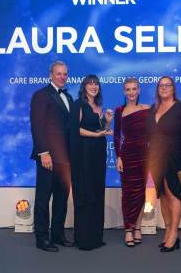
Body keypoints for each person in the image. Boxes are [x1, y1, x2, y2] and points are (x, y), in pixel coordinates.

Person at [147, 76, 181, 252]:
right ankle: (167, 231)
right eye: (161, 85)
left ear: (173, 88)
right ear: (157, 89)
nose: (164, 88)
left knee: (174, 194)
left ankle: (174, 235)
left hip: (175, 156)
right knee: (163, 196)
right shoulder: (153, 108)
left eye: (168, 85)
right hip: (156, 158)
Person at [30, 61, 74, 252]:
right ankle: (42, 238)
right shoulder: (41, 95)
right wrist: (43, 152)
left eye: (65, 74)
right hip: (47, 157)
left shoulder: (69, 97)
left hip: (65, 159)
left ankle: (57, 234)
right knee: (43, 198)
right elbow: (37, 126)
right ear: (51, 74)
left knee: (61, 198)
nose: (62, 77)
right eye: (59, 73)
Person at [69, 75, 113, 250]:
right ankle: (84, 239)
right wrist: (96, 135)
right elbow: (75, 129)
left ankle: (96, 236)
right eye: (90, 83)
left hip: (98, 154)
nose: (94, 86)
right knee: (86, 193)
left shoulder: (99, 107)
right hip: (84, 154)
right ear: (84, 86)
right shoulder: (78, 104)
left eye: (96, 84)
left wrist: (108, 122)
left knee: (96, 192)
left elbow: (101, 130)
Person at [113, 78, 150, 247]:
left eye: (134, 89)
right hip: (127, 155)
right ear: (124, 92)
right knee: (128, 193)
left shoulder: (147, 109)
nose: (131, 92)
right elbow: (116, 136)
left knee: (142, 193)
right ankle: (128, 229)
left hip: (145, 155)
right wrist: (118, 157)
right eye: (128, 89)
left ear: (139, 90)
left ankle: (138, 228)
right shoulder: (119, 111)